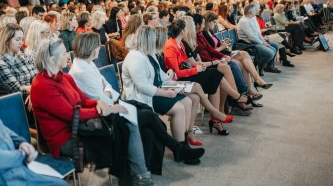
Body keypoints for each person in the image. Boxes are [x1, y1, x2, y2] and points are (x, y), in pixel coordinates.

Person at [70, 32, 205, 167]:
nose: (100, 47)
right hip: (103, 114)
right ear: (90, 48)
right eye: (97, 45)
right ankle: (179, 148)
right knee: (150, 116)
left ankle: (178, 149)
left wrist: (106, 92)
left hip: (112, 104)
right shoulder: (81, 71)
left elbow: (108, 87)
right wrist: (106, 92)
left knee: (150, 119)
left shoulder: (89, 64)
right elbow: (103, 97)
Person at [30, 38, 154, 185]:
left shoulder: (65, 77)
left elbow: (83, 101)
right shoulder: (42, 86)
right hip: (65, 139)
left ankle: (139, 178)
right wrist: (104, 110)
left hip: (78, 127)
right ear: (52, 59)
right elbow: (71, 115)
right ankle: (140, 179)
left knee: (123, 125)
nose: (67, 56)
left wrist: (98, 103)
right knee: (121, 131)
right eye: (64, 54)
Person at [164, 20, 250, 133]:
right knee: (215, 75)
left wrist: (198, 67)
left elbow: (187, 63)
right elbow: (177, 73)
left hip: (188, 73)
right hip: (180, 79)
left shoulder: (179, 44)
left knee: (215, 78)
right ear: (182, 31)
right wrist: (196, 69)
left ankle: (218, 116)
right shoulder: (171, 46)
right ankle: (233, 100)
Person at [0, 24, 37, 96]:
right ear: (7, 41)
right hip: (19, 101)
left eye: (22, 39)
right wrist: (35, 90)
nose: (21, 43)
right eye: (17, 39)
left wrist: (33, 93)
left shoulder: (24, 56)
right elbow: (17, 91)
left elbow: (37, 78)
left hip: (33, 96)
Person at [237, 4, 281, 75]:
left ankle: (269, 66)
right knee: (271, 52)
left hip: (257, 40)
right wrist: (263, 43)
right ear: (251, 12)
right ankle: (259, 67)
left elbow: (257, 32)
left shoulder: (253, 18)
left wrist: (263, 41)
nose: (258, 10)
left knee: (275, 46)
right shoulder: (244, 21)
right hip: (249, 44)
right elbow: (251, 37)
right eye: (255, 10)